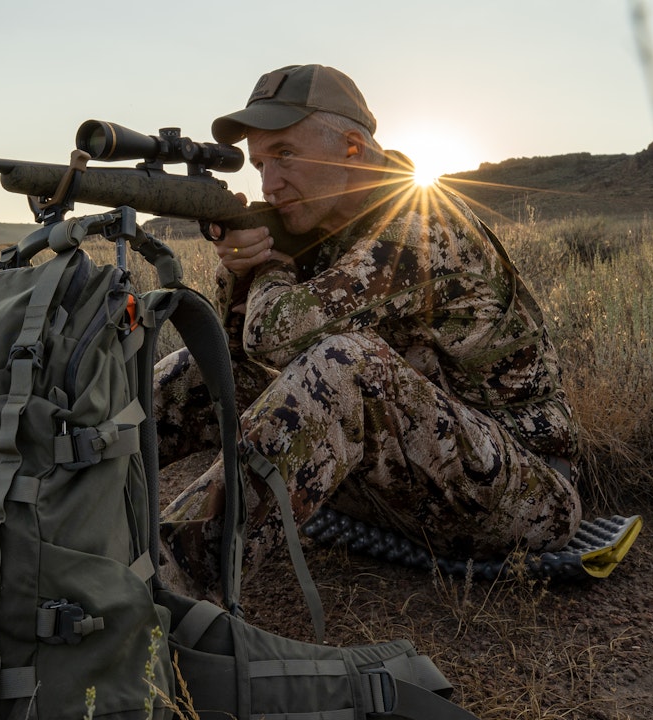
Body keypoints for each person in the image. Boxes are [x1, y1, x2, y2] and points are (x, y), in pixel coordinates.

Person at [156, 64, 582, 596]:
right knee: (201, 369)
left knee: (346, 365)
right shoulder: (325, 222)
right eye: (260, 163)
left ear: (352, 148)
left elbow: (275, 337)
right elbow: (237, 346)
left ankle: (156, 593)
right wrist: (239, 268)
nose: (268, 183)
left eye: (285, 154)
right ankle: (65, 515)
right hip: (408, 480)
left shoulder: (419, 224)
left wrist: (270, 267)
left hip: (522, 493)